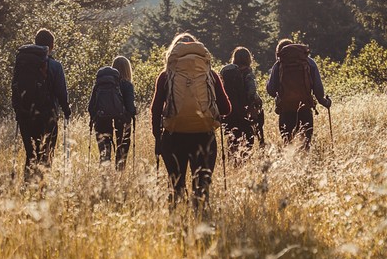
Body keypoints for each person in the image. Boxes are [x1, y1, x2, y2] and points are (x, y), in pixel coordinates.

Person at [151, 33, 231, 209]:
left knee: (176, 186)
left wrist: (158, 137)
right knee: (202, 187)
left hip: (173, 137)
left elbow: (156, 109)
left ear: (173, 54)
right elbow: (226, 109)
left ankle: (176, 226)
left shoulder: (166, 76)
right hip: (204, 137)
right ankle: (201, 222)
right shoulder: (211, 75)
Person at [12, 28, 71, 183]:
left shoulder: (22, 62)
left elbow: (15, 86)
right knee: (46, 154)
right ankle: (42, 191)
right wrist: (66, 110)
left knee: (31, 154)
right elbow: (61, 93)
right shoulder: (55, 66)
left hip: (25, 115)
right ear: (51, 45)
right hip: (47, 117)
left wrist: (19, 110)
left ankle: (27, 187)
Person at [266, 38, 331, 149]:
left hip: (285, 112)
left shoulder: (278, 65)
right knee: (305, 147)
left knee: (289, 147)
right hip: (305, 111)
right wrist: (325, 102)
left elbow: (271, 89)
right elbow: (318, 89)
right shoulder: (309, 62)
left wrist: (281, 94)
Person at [88, 56, 136, 170]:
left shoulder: (100, 84)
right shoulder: (127, 85)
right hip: (122, 120)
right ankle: (119, 177)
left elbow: (91, 107)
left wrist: (95, 117)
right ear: (127, 69)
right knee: (122, 150)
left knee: (104, 153)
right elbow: (130, 108)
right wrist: (133, 112)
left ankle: (105, 179)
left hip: (101, 120)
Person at [220, 46, 263, 162]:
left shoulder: (228, 73)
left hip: (229, 113)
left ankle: (232, 164)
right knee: (247, 139)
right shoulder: (248, 73)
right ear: (248, 59)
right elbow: (252, 93)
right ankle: (243, 163)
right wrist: (258, 102)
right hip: (244, 114)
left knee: (232, 140)